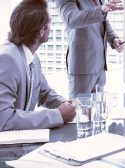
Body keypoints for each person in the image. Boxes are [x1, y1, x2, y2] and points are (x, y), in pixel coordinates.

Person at [0, 0, 76, 131]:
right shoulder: (8, 59)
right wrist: (58, 115)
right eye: (50, 22)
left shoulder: (32, 58)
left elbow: (44, 93)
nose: (52, 27)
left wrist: (65, 105)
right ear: (42, 31)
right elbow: (3, 118)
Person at [55, 0, 125, 99]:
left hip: (100, 67)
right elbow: (72, 19)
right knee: (80, 111)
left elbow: (102, 20)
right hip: (83, 67)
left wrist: (113, 38)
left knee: (99, 111)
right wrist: (102, 9)